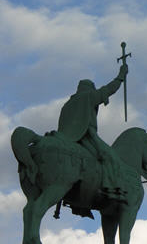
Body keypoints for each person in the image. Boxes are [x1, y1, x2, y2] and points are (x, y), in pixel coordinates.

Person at [57, 64, 128, 202]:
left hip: (66, 138)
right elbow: (108, 90)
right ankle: (111, 189)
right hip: (86, 135)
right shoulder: (88, 96)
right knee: (110, 156)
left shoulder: (68, 104)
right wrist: (121, 76)